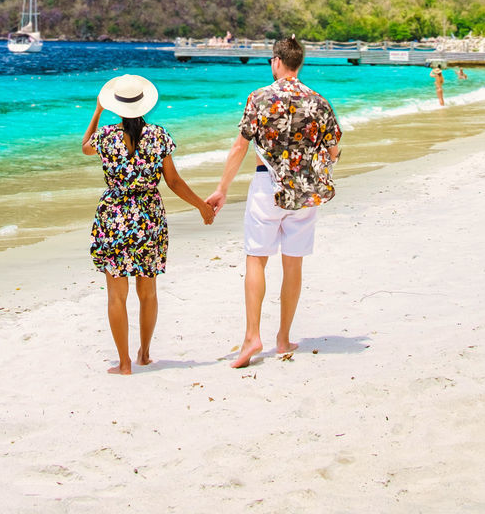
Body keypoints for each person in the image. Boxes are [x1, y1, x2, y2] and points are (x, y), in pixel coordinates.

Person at [207, 36, 341, 368]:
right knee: (293, 263)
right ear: (299, 63)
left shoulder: (260, 98)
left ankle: (252, 336)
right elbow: (333, 152)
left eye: (271, 60)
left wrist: (222, 189)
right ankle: (283, 338)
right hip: (304, 191)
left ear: (277, 61)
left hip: (267, 187)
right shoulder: (318, 101)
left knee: (257, 259)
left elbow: (240, 148)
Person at [82, 73, 214, 375]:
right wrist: (202, 207)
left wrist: (97, 111)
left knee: (116, 294)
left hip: (114, 215)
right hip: (149, 216)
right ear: (144, 105)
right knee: (148, 291)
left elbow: (85, 147)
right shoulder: (158, 136)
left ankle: (125, 363)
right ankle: (144, 353)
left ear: (116, 106)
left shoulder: (106, 136)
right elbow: (174, 181)